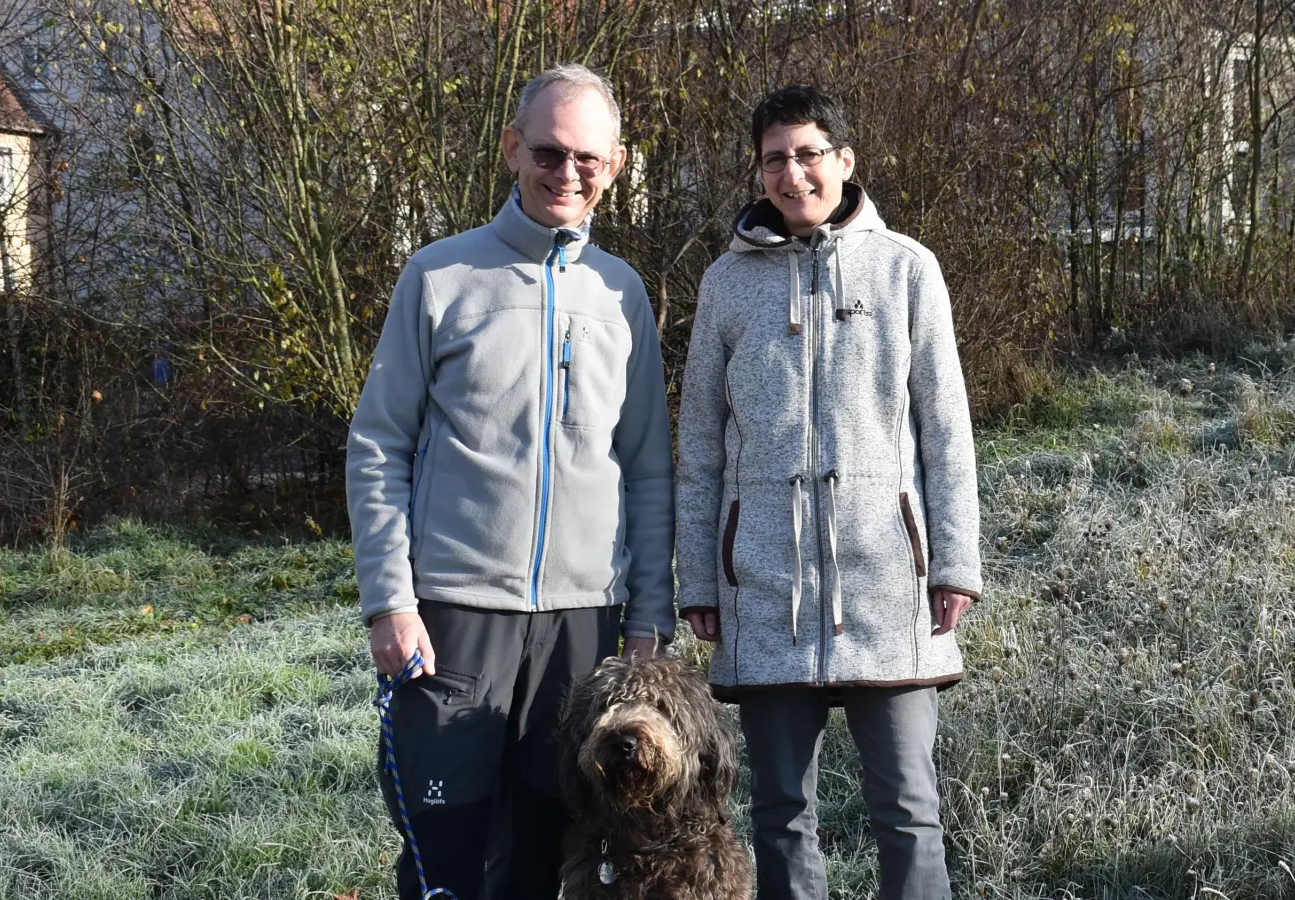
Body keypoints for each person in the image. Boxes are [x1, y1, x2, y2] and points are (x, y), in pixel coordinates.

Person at [346, 63, 674, 900]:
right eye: (548, 152)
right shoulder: (439, 276)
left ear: (618, 165)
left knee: (549, 854)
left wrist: (646, 620)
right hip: (454, 620)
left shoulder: (623, 295)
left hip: (584, 628)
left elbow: (645, 467)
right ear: (510, 150)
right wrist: (390, 601)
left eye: (588, 160)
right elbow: (379, 443)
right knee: (445, 857)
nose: (566, 174)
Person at [675, 84, 982, 900]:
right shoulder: (724, 286)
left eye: (809, 153)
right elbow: (701, 444)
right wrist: (700, 579)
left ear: (844, 161)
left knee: (908, 809)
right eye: (776, 157)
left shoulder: (909, 270)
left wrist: (953, 563)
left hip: (890, 581)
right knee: (779, 812)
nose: (793, 172)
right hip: (766, 589)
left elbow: (946, 429)